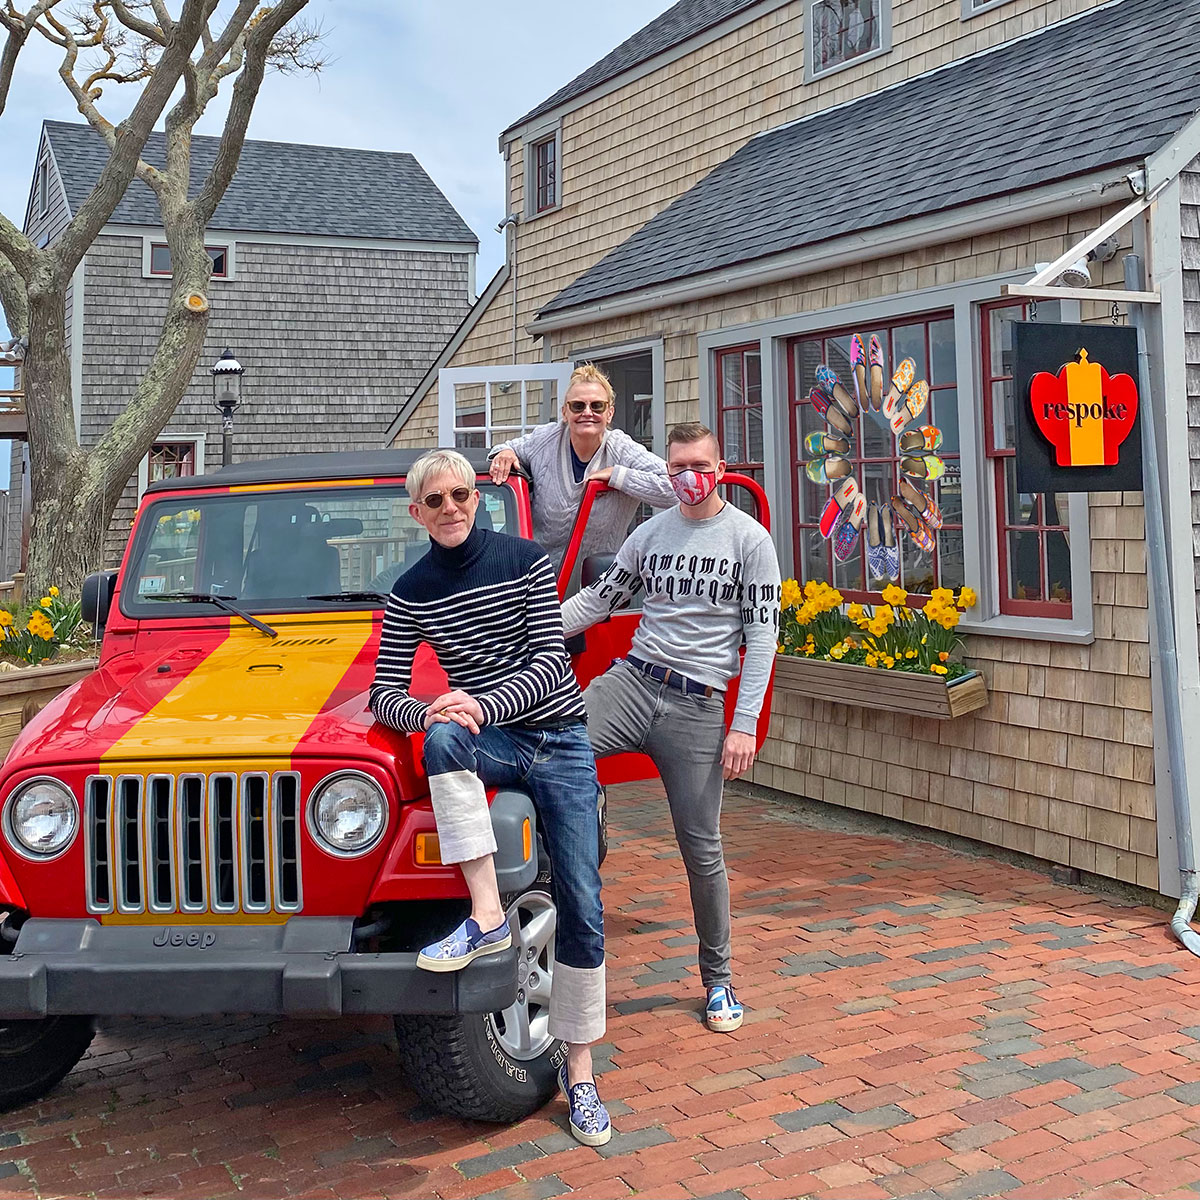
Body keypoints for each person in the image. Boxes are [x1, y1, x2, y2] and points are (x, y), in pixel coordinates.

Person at [368, 449, 611, 1146]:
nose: (450, 508)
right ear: (415, 513)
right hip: (492, 738)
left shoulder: (525, 559)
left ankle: (582, 1070)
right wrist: (433, 712)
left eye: (461, 495)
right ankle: (486, 915)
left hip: (558, 738)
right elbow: (387, 692)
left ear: (479, 499)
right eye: (435, 500)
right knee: (439, 742)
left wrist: (478, 702)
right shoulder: (409, 590)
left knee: (581, 901)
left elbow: (548, 660)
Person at [561, 422, 781, 1035]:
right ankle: (571, 850)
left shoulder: (750, 540)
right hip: (633, 681)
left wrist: (743, 726)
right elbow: (598, 601)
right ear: (668, 470)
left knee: (700, 845)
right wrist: (528, 625)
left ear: (721, 464)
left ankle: (719, 981)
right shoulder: (650, 534)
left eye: (702, 465)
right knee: (555, 742)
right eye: (679, 466)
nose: (691, 478)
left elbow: (761, 638)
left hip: (699, 706)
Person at [488, 363, 676, 568]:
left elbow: (675, 490)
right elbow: (503, 449)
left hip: (600, 585)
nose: (587, 412)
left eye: (597, 406)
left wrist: (618, 477)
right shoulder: (546, 439)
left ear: (609, 413)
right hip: (538, 579)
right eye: (577, 406)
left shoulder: (622, 449)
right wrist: (504, 453)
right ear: (564, 412)